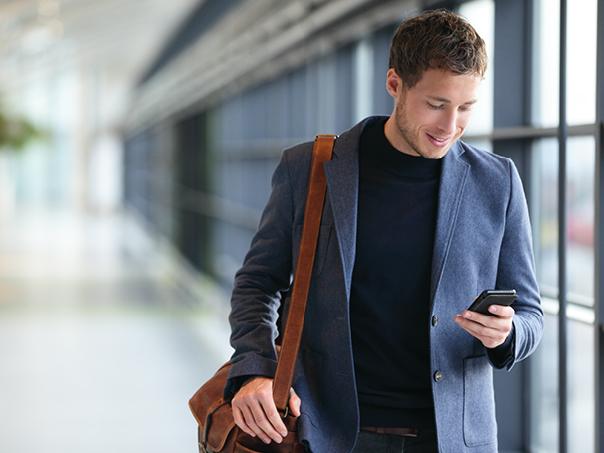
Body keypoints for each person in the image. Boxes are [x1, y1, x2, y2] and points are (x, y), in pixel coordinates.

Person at [223, 9, 543, 453]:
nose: (450, 127)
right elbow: (258, 284)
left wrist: (507, 334)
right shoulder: (312, 169)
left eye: (465, 107)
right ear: (395, 84)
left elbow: (530, 314)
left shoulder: (497, 182)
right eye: (436, 105)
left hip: (451, 439)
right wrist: (255, 366)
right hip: (331, 433)